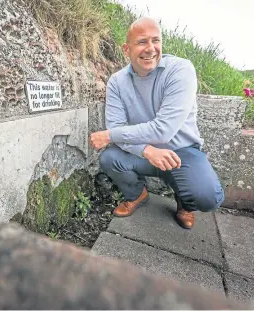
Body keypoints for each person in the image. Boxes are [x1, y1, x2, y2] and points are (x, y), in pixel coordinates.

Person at [89, 17, 224, 229]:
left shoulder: (180, 70)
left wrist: (109, 136)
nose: (150, 49)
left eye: (156, 40)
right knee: (109, 158)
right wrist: (146, 151)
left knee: (208, 197)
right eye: (142, 42)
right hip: (143, 154)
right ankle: (137, 194)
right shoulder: (116, 81)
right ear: (126, 49)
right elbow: (117, 125)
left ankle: (184, 204)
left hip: (182, 152)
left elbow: (163, 130)